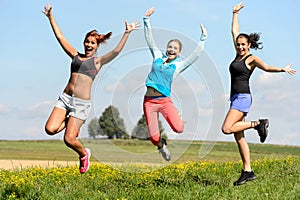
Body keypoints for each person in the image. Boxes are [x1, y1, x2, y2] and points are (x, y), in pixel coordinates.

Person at [42, 4, 140, 174]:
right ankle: (71, 122)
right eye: (87, 41)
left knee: (69, 139)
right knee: (50, 129)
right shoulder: (75, 55)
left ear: (97, 45)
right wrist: (51, 17)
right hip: (65, 99)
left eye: (92, 43)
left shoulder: (98, 62)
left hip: (81, 104)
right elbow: (60, 37)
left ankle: (83, 154)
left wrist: (127, 32)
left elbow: (116, 51)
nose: (88, 44)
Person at [221, 2, 296, 186]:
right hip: (235, 98)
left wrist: (282, 69)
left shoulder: (250, 59)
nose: (240, 47)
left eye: (243, 45)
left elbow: (267, 67)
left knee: (227, 128)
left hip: (243, 98)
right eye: (238, 45)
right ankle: (248, 171)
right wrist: (235, 13)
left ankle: (258, 124)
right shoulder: (238, 54)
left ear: (249, 45)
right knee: (238, 136)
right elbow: (234, 31)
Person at [143, 7, 207, 161]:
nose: (171, 49)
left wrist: (203, 38)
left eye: (175, 48)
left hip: (164, 101)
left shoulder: (178, 65)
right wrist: (147, 20)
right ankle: (161, 145)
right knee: (153, 137)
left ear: (179, 52)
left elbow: (195, 55)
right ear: (166, 49)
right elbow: (149, 39)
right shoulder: (157, 56)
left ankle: (176, 115)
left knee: (179, 128)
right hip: (149, 102)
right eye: (170, 47)